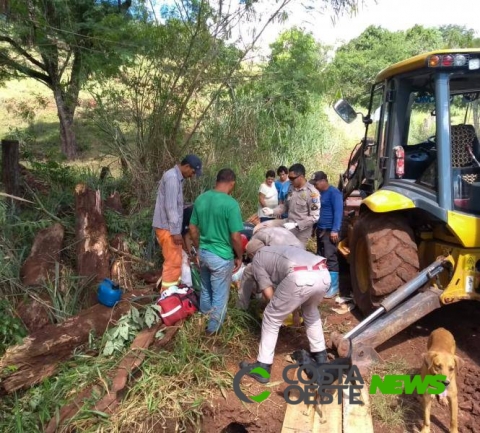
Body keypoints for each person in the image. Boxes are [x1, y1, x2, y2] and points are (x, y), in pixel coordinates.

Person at [239, 245, 331, 383]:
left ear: (251, 254)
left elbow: (268, 293)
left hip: (300, 277)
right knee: (311, 311)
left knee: (271, 316)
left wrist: (275, 308)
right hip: (323, 273)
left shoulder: (257, 259)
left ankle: (262, 367)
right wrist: (291, 310)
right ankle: (321, 356)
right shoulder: (280, 250)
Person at [189, 168, 244, 335]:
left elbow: (192, 228)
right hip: (221, 256)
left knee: (206, 289)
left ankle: (203, 319)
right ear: (231, 183)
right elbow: (235, 237)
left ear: (217, 180)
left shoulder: (201, 199)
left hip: (204, 253)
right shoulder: (231, 204)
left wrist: (199, 248)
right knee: (220, 295)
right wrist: (239, 256)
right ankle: (213, 331)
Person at [152, 155, 202, 292]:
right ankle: (167, 296)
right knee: (173, 263)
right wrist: (175, 231)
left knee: (175, 261)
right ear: (186, 167)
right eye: (192, 172)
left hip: (168, 227)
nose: (192, 176)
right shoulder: (173, 178)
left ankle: (173, 292)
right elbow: (171, 207)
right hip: (168, 228)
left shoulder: (175, 178)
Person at [236, 226, 304, 310]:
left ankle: (242, 307)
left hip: (287, 258)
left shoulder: (257, 240)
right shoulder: (275, 232)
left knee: (249, 271)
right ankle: (293, 309)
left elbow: (262, 270)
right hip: (303, 256)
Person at [263, 163, 320, 246]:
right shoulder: (291, 188)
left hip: (301, 230)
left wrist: (296, 224)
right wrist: (272, 211)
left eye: (292, 178)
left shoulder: (312, 193)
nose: (290, 180)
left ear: (301, 177)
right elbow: (285, 206)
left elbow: (314, 217)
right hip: (288, 223)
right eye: (289, 178)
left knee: (295, 253)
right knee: (264, 227)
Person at [310, 171, 344, 298]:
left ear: (324, 180)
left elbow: (338, 212)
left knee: (331, 257)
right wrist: (314, 228)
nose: (315, 185)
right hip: (321, 229)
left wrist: (335, 230)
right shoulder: (319, 194)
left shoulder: (334, 193)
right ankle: (324, 283)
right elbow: (317, 212)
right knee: (321, 256)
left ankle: (334, 286)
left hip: (330, 231)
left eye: (317, 183)